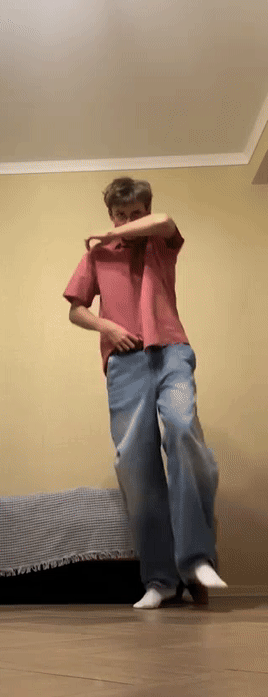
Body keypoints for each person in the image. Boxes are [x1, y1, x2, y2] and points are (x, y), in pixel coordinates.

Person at [63, 177, 226, 609]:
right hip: (124, 363)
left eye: (135, 214)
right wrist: (108, 327)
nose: (127, 221)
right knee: (135, 464)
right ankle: (160, 579)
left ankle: (196, 559)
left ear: (145, 212)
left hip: (170, 350)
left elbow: (167, 221)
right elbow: (76, 310)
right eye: (119, 215)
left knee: (183, 430)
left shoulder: (159, 242)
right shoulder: (98, 256)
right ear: (111, 215)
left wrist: (113, 231)